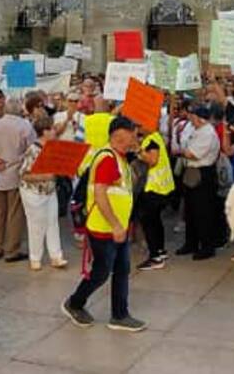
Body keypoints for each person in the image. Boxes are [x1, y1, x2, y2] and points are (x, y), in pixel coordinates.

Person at [62, 115, 147, 333]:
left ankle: (120, 315)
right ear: (120, 135)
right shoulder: (108, 158)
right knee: (101, 272)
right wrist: (116, 225)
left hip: (116, 228)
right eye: (133, 134)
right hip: (104, 228)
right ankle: (75, 303)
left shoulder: (119, 158)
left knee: (121, 270)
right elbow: (100, 194)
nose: (136, 138)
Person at [0, 89, 34, 263]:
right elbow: (32, 149)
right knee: (15, 212)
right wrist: (17, 159)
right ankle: (11, 249)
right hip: (16, 171)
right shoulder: (24, 126)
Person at [19, 116, 67, 271]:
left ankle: (56, 256)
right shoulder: (33, 149)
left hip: (50, 190)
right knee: (36, 225)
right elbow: (24, 174)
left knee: (52, 222)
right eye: (51, 129)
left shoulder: (53, 147)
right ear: (44, 132)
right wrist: (44, 176)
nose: (54, 131)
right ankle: (35, 257)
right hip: (34, 192)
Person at [177, 104, 220, 260]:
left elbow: (193, 154)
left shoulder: (208, 133)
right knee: (190, 210)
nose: (191, 119)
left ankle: (207, 246)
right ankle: (191, 243)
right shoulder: (194, 129)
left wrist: (181, 152)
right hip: (191, 171)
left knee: (203, 212)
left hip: (202, 173)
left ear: (200, 118)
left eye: (193, 116)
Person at [134, 127, 175, 270]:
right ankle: (160, 251)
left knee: (149, 222)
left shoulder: (151, 140)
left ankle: (155, 257)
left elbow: (153, 160)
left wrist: (138, 149)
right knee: (156, 221)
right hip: (162, 187)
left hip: (154, 188)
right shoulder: (156, 136)